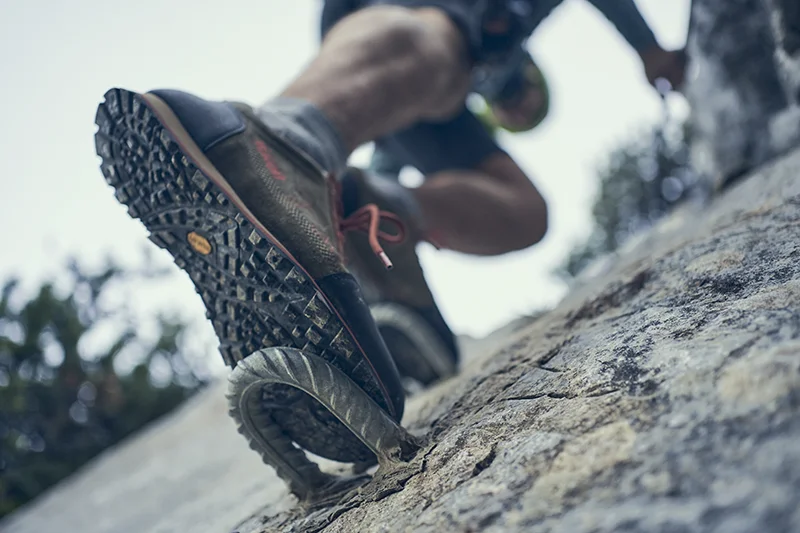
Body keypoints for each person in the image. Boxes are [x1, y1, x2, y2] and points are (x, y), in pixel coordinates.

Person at [94, 0, 686, 459]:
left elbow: (382, 163)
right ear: (528, 74)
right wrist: (649, 48)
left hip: (402, 65)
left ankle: (328, 199)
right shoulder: (488, 31)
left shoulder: (446, 93)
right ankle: (280, 145)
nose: (511, 110)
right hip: (404, 31)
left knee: (526, 212)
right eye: (518, 100)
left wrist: (361, 216)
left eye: (513, 116)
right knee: (449, 49)